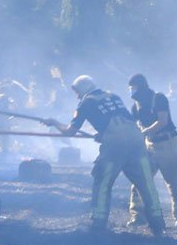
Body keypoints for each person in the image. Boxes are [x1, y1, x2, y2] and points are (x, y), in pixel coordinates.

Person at [43, 75, 166, 236]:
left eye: (77, 92)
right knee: (146, 183)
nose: (77, 96)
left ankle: (98, 224)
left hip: (115, 147)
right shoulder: (113, 96)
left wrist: (54, 123)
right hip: (137, 141)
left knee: (103, 182)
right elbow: (123, 121)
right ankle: (158, 225)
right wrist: (102, 134)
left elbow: (70, 131)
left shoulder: (86, 102)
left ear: (84, 89)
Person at [127, 73, 177, 228]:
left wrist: (145, 131)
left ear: (141, 87)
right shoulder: (135, 106)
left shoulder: (158, 98)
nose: (131, 92)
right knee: (140, 180)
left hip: (167, 143)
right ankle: (137, 216)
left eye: (133, 88)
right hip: (149, 145)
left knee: (173, 181)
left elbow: (162, 121)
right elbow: (135, 125)